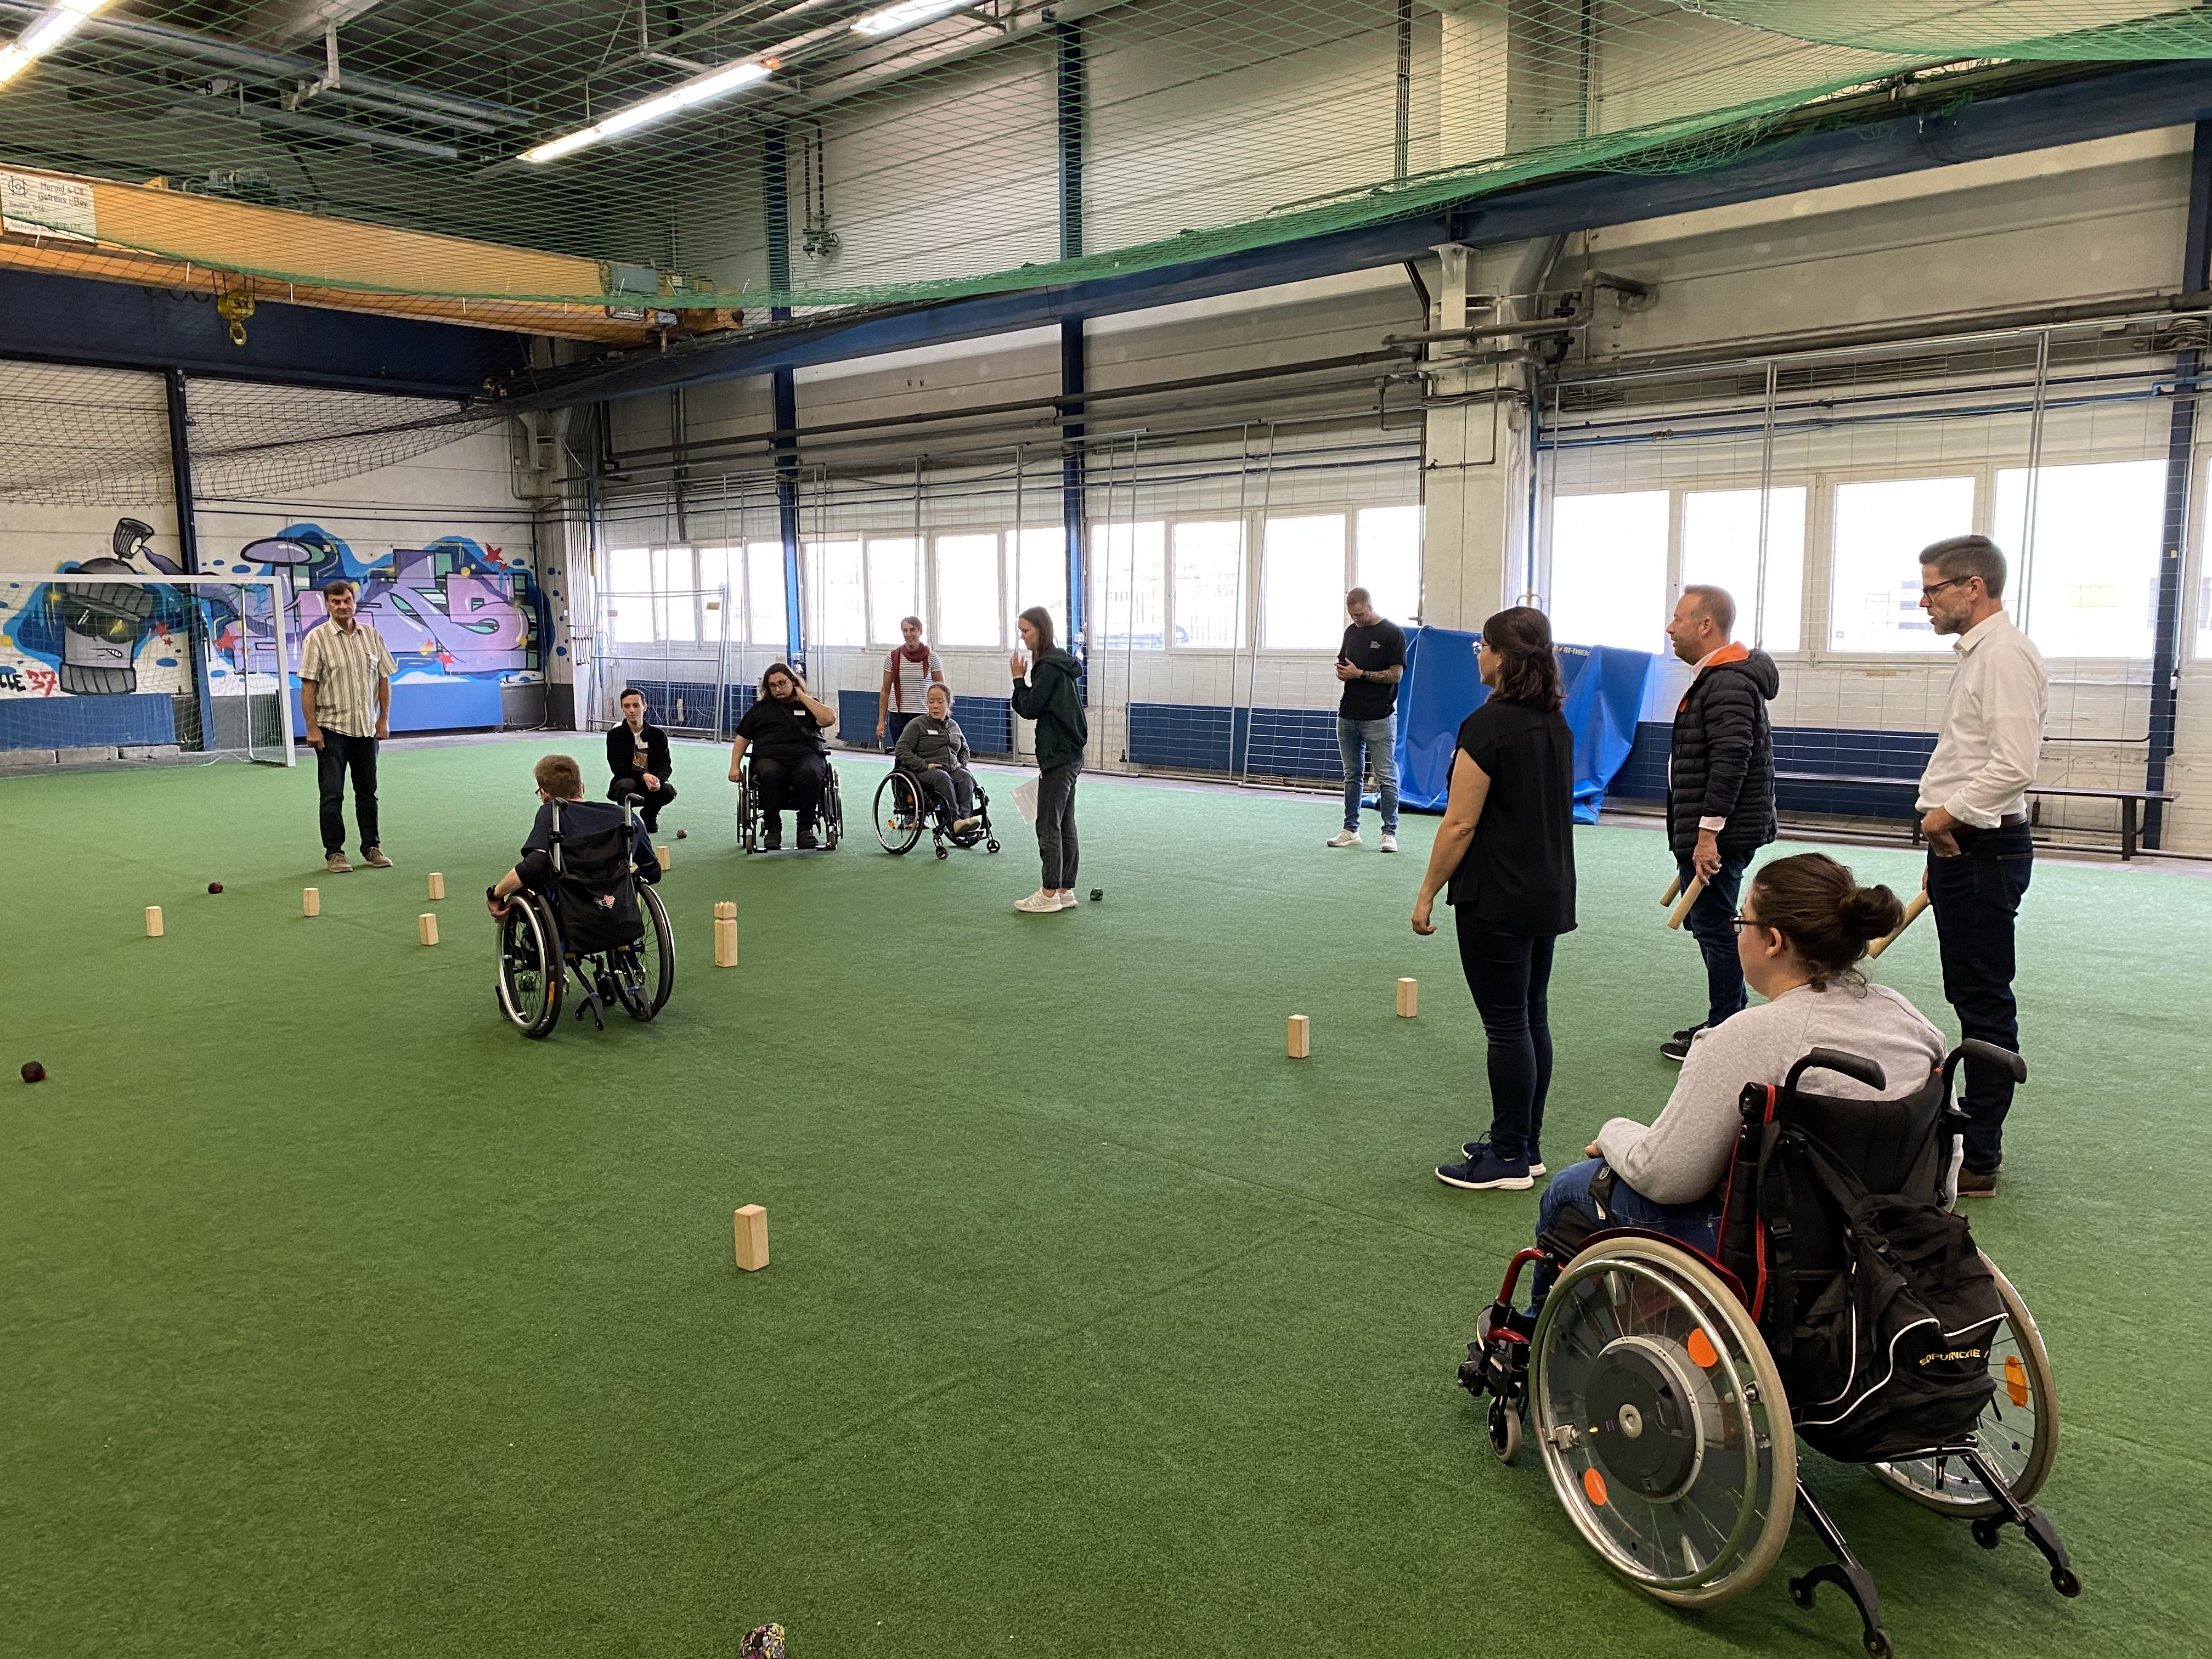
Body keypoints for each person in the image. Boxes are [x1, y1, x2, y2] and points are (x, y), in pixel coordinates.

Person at [1523, 853, 1946, 1311]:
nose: (1737, 929)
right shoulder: (1914, 1025)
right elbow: (1946, 1164)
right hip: (1890, 1237)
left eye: (1741, 920)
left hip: (1774, 1250)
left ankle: (1543, 1346)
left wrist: (1613, 1132)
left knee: (1572, 1188)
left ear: (1773, 941)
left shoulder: (1747, 1036)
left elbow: (1667, 1178)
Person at [1415, 607, 1577, 1192]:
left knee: (1506, 1026)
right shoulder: (1554, 723)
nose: (1477, 654)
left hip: (1498, 897)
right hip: (1547, 893)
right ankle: (1524, 1144)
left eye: (1482, 645)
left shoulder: (1486, 726)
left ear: (1504, 657)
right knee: (1530, 1016)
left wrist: (1427, 892)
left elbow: (1459, 824)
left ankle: (1509, 1155)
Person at [1915, 534, 2048, 1199]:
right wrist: (1939, 848)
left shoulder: (2004, 655)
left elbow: (2014, 764)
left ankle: (1983, 1157)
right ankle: (1975, 1141)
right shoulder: (1978, 655)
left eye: (1934, 588)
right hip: (1962, 851)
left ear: (1974, 587)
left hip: (1982, 847)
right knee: (1971, 995)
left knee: (1985, 1003)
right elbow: (1971, 755)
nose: (1925, 600)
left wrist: (1948, 818)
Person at [1659, 583, 1779, 1062]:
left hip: (1721, 833)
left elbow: (1732, 759)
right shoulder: (1716, 677)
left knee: (1714, 926)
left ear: (1706, 625)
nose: (1671, 628)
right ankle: (1727, 1019)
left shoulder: (1727, 681)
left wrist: (1707, 834)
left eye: (1679, 618)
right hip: (1712, 829)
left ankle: (1726, 1028)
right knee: (1711, 923)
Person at [298, 578, 398, 875]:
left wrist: (383, 719)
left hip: (367, 730)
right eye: (336, 602)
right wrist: (312, 728)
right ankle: (335, 853)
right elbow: (308, 686)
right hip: (331, 729)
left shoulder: (372, 636)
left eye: (347, 601)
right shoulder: (316, 638)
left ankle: (372, 847)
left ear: (355, 603)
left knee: (368, 792)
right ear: (327, 605)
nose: (342, 606)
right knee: (332, 794)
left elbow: (383, 680)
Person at [484, 753, 658, 920]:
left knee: (526, 889)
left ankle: (531, 949)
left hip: (571, 912)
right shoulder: (625, 816)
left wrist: (495, 894)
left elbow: (533, 865)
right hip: (616, 910)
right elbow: (653, 872)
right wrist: (627, 882)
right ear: (582, 787)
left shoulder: (553, 814)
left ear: (545, 795)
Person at [1009, 606, 1087, 913]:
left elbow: (1029, 707)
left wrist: (1018, 680)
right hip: (1071, 753)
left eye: (1026, 631)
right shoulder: (1061, 663)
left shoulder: (1048, 668)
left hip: (1058, 756)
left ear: (1041, 630)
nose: (1023, 638)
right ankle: (1066, 890)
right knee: (1065, 821)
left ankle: (1049, 892)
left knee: (1047, 824)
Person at [1328, 587, 1407, 853]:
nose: (1357, 619)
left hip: (1380, 718)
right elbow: (1344, 664)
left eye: (1360, 614)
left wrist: (1360, 674)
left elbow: (1396, 675)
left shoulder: (1392, 634)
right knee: (1352, 775)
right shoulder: (1351, 632)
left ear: (1370, 607)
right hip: (1348, 716)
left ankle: (1389, 833)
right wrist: (1343, 673)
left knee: (1385, 776)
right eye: (1352, 615)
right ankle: (1350, 830)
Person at [729, 662, 838, 850]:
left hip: (806, 756)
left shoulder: (808, 703)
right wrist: (734, 766)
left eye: (782, 683)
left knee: (810, 773)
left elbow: (829, 719)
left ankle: (805, 828)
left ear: (793, 681)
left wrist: (801, 696)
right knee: (771, 774)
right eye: (773, 686)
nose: (778, 689)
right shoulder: (760, 709)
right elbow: (742, 738)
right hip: (769, 758)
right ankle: (772, 828)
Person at [894, 682, 981, 832]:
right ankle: (954, 821)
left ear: (948, 703)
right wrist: (924, 765)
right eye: (931, 701)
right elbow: (901, 750)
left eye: (940, 702)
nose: (935, 705)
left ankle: (966, 818)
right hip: (922, 771)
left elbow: (965, 749)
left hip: (951, 769)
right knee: (942, 777)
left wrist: (961, 763)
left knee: (965, 776)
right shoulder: (917, 725)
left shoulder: (954, 726)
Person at [605, 687, 676, 834]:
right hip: (628, 781)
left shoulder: (658, 735)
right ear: (622, 708)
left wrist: (657, 780)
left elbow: (665, 766)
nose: (632, 710)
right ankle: (626, 819)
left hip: (651, 783)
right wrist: (643, 776)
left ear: (645, 707)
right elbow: (618, 768)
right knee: (626, 785)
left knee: (669, 791)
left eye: (636, 705)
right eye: (627, 706)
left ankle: (649, 815)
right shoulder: (614, 736)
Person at [876, 616, 946, 748]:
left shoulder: (932, 657)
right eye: (905, 630)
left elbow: (941, 691)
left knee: (925, 753)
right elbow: (886, 690)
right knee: (902, 753)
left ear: (920, 631)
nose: (909, 634)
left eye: (912, 630)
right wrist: (881, 721)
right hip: (898, 716)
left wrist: (943, 717)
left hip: (924, 715)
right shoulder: (892, 657)